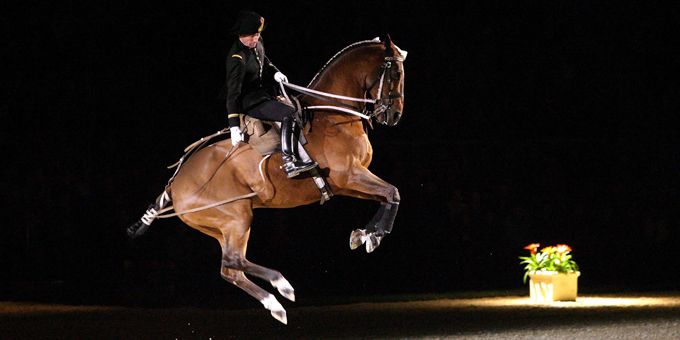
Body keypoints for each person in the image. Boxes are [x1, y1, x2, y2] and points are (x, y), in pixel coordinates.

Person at [224, 10, 317, 178]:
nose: (256, 39)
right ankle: (289, 160)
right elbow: (233, 94)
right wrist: (234, 126)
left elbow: (264, 61)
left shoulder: (257, 42)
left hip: (262, 93)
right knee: (288, 114)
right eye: (252, 36)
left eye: (258, 35)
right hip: (248, 101)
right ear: (241, 35)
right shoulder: (236, 58)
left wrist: (275, 72)